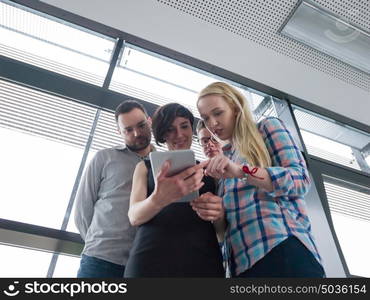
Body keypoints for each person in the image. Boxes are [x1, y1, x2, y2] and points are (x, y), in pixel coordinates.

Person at [193, 82, 325, 277]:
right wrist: (216, 213)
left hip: (281, 248)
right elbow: (223, 232)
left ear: (236, 109)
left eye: (218, 113)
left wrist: (241, 171)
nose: (212, 124)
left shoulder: (266, 128)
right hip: (240, 266)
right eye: (206, 118)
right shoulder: (223, 162)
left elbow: (300, 179)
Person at [124, 103, 224, 277]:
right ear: (162, 134)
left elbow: (221, 233)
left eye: (184, 126)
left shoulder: (210, 171)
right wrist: (159, 198)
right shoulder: (144, 167)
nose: (179, 135)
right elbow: (134, 216)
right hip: (149, 259)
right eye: (170, 129)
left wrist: (219, 213)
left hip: (203, 262)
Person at [74, 100, 154, 278]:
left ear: (149, 121)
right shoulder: (104, 158)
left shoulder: (164, 163)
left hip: (144, 265)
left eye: (141, 125)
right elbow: (82, 210)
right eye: (128, 130)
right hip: (99, 261)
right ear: (119, 132)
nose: (136, 133)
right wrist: (98, 244)